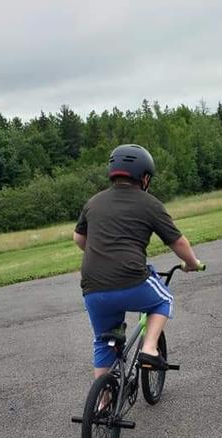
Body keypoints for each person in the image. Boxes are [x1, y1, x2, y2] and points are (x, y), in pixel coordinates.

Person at [73, 143, 202, 378]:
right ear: (144, 177)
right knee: (163, 299)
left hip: (93, 286)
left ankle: (102, 404)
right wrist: (192, 263)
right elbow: (178, 242)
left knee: (104, 340)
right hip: (130, 278)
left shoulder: (94, 202)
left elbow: (79, 239)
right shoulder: (149, 203)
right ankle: (150, 348)